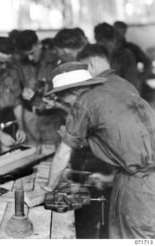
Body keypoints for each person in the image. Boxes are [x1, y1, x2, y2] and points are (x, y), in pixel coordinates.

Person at [44, 61, 155, 238]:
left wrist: (48, 190)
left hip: (141, 188)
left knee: (137, 238)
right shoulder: (117, 91)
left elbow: (63, 154)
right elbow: (135, 147)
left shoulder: (84, 103)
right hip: (141, 178)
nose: (64, 103)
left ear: (72, 92)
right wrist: (111, 178)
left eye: (62, 98)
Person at [15, 30, 65, 146]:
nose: (30, 58)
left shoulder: (56, 60)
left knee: (52, 155)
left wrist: (47, 89)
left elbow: (66, 92)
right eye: (26, 55)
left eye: (32, 53)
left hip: (52, 119)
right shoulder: (20, 63)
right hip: (29, 119)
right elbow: (15, 93)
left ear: (39, 45)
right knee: (29, 156)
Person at [94, 23, 140, 92]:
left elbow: (132, 83)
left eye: (107, 41)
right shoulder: (93, 55)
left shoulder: (125, 56)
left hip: (122, 95)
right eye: (100, 42)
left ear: (114, 40)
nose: (104, 45)